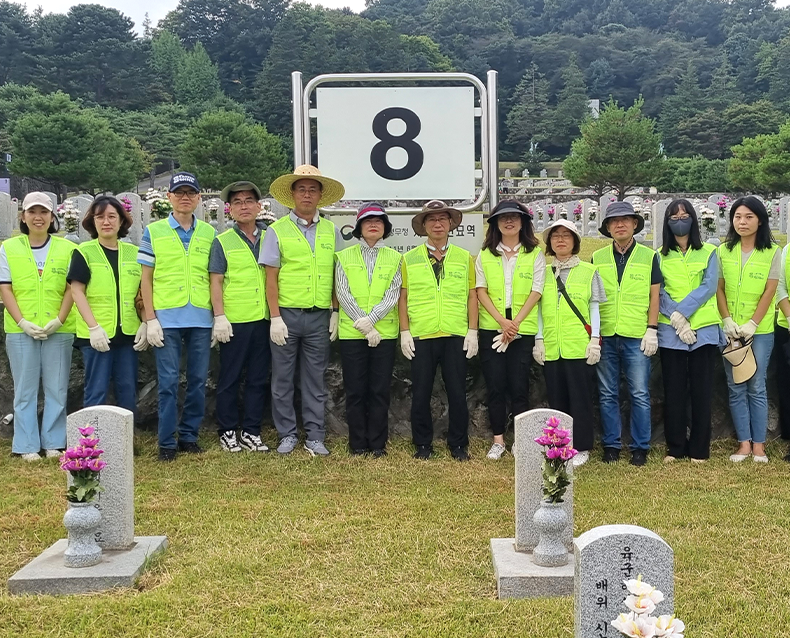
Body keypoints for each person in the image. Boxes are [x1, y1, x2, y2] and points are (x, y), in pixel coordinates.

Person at [260, 165, 345, 456]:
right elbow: (270, 276)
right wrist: (275, 318)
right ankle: (286, 433)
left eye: (312, 189)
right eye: (302, 189)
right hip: (287, 315)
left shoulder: (331, 231)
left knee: (315, 378)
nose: (307, 195)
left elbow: (336, 273)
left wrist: (335, 310)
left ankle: (315, 435)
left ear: (320, 196)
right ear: (293, 195)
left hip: (319, 315)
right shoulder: (276, 231)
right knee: (282, 378)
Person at [138, 172, 215, 462]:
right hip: (166, 319)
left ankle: (189, 436)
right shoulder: (154, 231)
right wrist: (150, 318)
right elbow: (146, 279)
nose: (185, 197)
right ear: (169, 197)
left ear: (198, 198)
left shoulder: (209, 233)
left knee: (197, 381)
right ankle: (166, 441)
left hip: (200, 317)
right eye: (179, 192)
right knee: (168, 382)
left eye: (190, 193)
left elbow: (213, 276)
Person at [399, 200, 478, 461]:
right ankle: (422, 444)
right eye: (431, 219)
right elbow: (403, 297)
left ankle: (458, 444)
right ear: (423, 226)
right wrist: (405, 331)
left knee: (457, 392)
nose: (437, 224)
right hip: (421, 334)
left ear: (451, 224)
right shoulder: (409, 259)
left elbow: (471, 296)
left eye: (443, 219)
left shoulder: (464, 258)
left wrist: (472, 330)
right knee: (420, 392)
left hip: (455, 334)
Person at [0, 192, 75, 460]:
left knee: (57, 387)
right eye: (32, 212)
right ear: (23, 216)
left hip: (59, 329)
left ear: (52, 216)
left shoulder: (67, 249)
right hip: (21, 329)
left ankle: (54, 442)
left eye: (44, 212)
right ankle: (26, 444)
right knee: (25, 388)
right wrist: (22, 321)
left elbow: (72, 289)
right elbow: (5, 289)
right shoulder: (8, 248)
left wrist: (60, 320)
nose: (38, 217)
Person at [592, 201, 662, 466]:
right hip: (606, 333)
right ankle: (611, 445)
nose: (619, 225)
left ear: (634, 224)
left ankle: (640, 446)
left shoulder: (648, 256)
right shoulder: (597, 258)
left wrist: (651, 329)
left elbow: (655, 295)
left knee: (640, 393)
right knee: (607, 392)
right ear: (608, 228)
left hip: (636, 334)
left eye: (625, 220)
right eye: (614, 221)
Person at [475, 200, 544, 460]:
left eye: (515, 217)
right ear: (495, 224)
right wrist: (502, 323)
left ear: (523, 222)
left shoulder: (534, 253)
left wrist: (514, 324)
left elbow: (536, 291)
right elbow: (481, 291)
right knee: (495, 386)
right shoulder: (486, 254)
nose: (509, 221)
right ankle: (498, 441)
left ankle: (520, 441)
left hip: (521, 329)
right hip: (492, 327)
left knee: (519, 386)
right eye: (503, 218)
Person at [534, 219, 606, 467]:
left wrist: (594, 340)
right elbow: (540, 310)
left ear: (575, 241)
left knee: (581, 398)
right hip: (553, 347)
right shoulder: (542, 272)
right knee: (557, 399)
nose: (561, 240)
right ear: (550, 243)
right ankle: (558, 446)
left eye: (566, 235)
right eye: (555, 236)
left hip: (579, 346)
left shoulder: (588, 271)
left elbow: (594, 308)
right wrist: (539, 339)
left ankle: (583, 446)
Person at [69, 196, 148, 418]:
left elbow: (140, 293)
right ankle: (90, 446)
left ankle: (125, 442)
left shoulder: (134, 254)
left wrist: (144, 322)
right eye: (100, 217)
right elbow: (77, 291)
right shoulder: (84, 252)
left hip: (127, 334)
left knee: (127, 391)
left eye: (112, 216)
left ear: (122, 221)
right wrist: (93, 327)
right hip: (97, 336)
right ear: (92, 222)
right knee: (96, 391)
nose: (106, 222)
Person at [657, 199, 723, 463]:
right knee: (673, 390)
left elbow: (709, 286)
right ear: (667, 222)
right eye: (674, 216)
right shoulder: (659, 255)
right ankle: (675, 447)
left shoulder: (708, 251)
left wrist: (683, 313)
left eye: (685, 215)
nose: (680, 220)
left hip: (703, 327)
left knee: (701, 390)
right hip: (671, 330)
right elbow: (658, 291)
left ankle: (699, 449)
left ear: (694, 220)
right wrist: (676, 319)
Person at [209, 181, 271, 453]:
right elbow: (216, 281)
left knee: (259, 377)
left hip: (265, 319)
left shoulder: (271, 236)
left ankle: (251, 431)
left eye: (249, 201)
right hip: (235, 321)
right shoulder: (222, 241)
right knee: (230, 378)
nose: (244, 206)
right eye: (237, 202)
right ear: (230, 209)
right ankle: (228, 430)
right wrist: (219, 317)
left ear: (259, 206)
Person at [335, 202, 401, 457]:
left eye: (379, 221)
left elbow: (392, 293)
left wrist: (372, 321)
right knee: (355, 389)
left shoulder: (395, 258)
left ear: (385, 228)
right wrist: (363, 324)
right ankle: (357, 443)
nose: (373, 224)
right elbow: (343, 292)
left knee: (379, 389)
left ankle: (377, 443)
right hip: (353, 333)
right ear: (359, 228)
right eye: (367, 221)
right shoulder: (344, 256)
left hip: (383, 333)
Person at [717, 196, 779, 463]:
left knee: (756, 384)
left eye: (749, 217)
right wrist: (727, 319)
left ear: (760, 220)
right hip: (731, 331)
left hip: (760, 330)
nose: (742, 222)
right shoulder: (723, 250)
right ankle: (743, 443)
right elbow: (718, 288)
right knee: (735, 385)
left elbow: (770, 289)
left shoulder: (772, 252)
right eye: (738, 217)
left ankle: (759, 446)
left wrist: (753, 322)